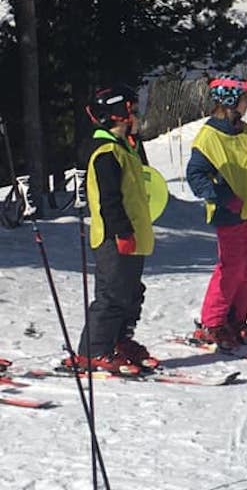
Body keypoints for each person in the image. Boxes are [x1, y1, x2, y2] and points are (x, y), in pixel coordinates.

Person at [62, 86, 157, 373]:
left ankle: (120, 341)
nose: (138, 117)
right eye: (134, 111)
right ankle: (93, 351)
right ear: (120, 115)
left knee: (131, 293)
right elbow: (108, 200)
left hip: (135, 235)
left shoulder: (125, 148)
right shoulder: (105, 152)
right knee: (113, 295)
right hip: (115, 238)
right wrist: (121, 232)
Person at [186, 75, 247, 350]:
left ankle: (236, 320)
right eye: (246, 99)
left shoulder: (244, 130)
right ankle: (212, 323)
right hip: (229, 211)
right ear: (230, 101)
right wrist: (224, 197)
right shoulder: (209, 136)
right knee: (231, 268)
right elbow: (196, 176)